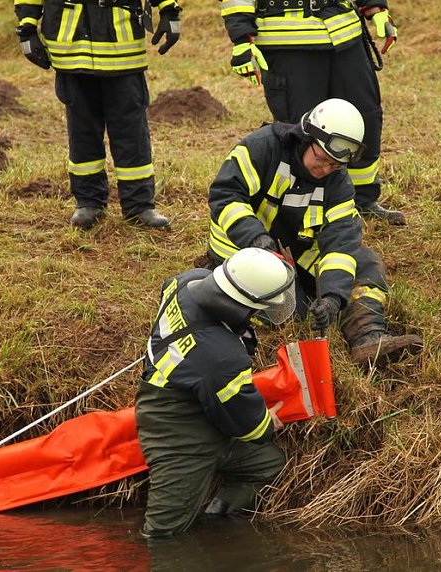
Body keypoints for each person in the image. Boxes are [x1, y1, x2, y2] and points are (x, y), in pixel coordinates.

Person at [205, 97, 422, 366]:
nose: (325, 170)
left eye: (335, 165)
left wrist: (332, 298)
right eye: (321, 160)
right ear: (307, 138)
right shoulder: (261, 148)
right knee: (291, 314)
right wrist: (256, 240)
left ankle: (369, 336)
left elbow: (340, 243)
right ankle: (213, 273)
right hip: (242, 249)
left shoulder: (338, 183)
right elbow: (225, 196)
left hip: (296, 251)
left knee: (364, 263)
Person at [135, 247, 296, 537]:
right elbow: (246, 422)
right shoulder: (223, 357)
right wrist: (266, 423)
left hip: (188, 401)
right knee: (162, 533)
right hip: (176, 435)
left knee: (269, 464)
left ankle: (216, 525)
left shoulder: (186, 281)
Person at [219, 0, 406, 225]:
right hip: (288, 43)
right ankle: (305, 209)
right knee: (303, 132)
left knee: (365, 117)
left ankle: (361, 201)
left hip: (345, 35)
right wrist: (241, 39)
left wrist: (375, 7)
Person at [13, 0, 181, 230]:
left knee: (131, 132)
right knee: (82, 132)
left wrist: (169, 9)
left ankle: (139, 206)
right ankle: (88, 202)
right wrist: (26, 26)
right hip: (70, 49)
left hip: (122, 48)